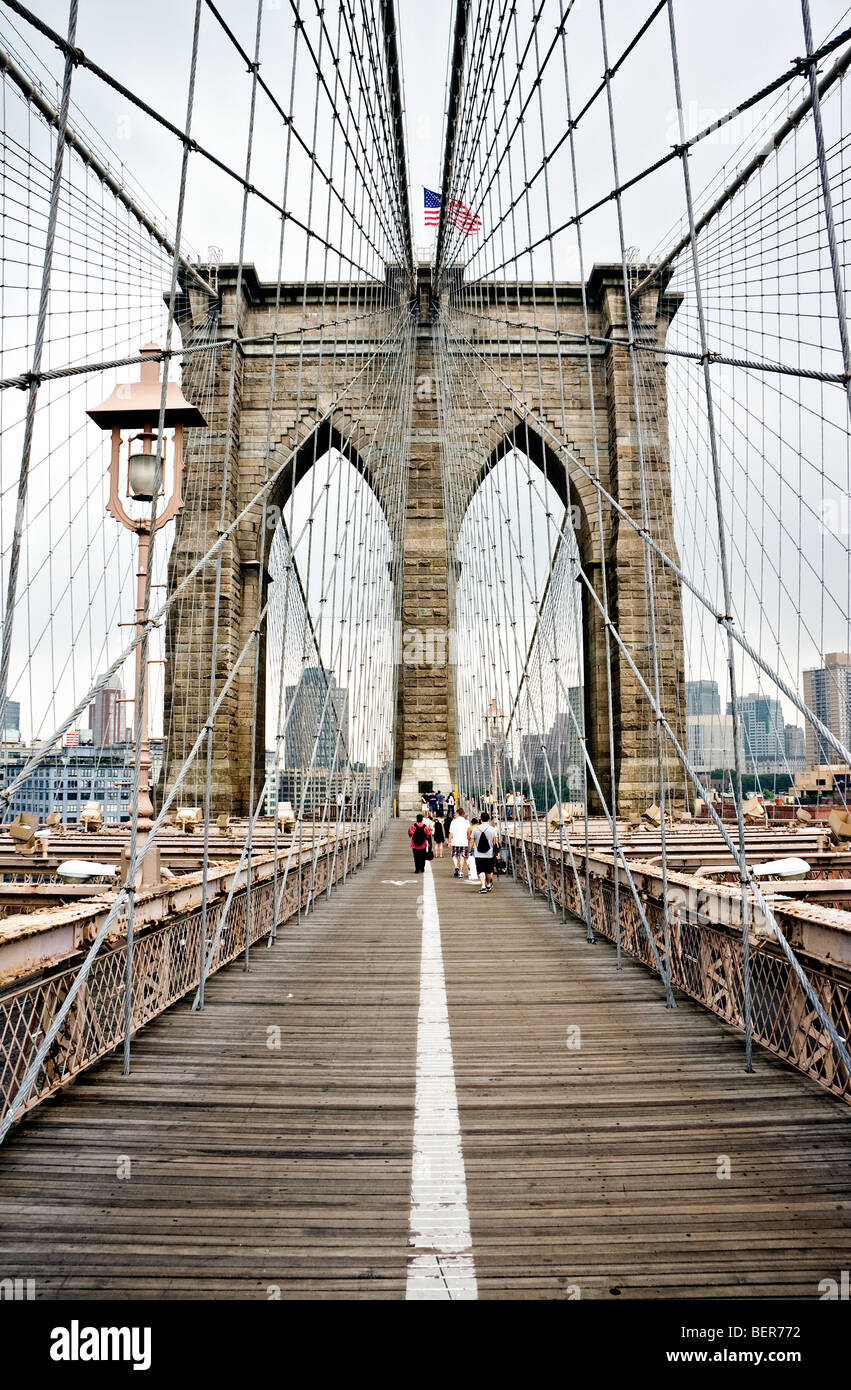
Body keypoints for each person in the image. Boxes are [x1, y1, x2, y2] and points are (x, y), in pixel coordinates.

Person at [472, 812, 499, 894]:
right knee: (488, 870)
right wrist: (497, 853)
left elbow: (471, 841)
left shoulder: (475, 829)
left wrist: (469, 850)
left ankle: (483, 886)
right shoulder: (493, 829)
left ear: (480, 819)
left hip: (478, 854)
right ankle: (488, 884)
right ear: (489, 819)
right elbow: (496, 843)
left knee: (480, 870)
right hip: (489, 854)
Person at [448, 805, 471, 878]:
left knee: (454, 855)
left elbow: (451, 833)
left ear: (458, 813)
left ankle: (456, 866)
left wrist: (449, 841)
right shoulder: (466, 822)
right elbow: (468, 832)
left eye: (456, 813)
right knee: (462, 857)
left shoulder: (453, 821)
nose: (455, 815)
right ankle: (461, 872)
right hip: (464, 842)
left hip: (455, 841)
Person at [466, 816, 480, 882]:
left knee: (474, 859)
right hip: (479, 845)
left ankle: (475, 871)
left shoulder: (470, 828)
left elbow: (468, 837)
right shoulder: (479, 828)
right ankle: (479, 871)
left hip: (473, 845)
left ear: (471, 822)